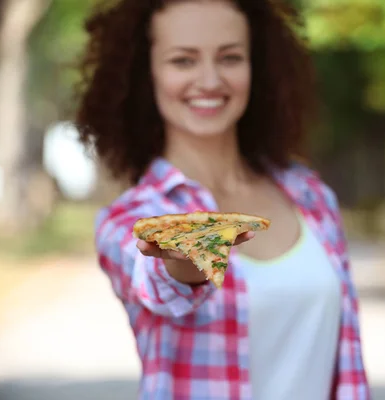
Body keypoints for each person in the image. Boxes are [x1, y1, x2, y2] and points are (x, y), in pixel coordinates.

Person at [76, 0, 370, 399]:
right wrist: (190, 259)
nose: (210, 80)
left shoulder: (311, 196)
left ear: (258, 66)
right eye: (183, 61)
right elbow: (155, 283)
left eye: (230, 57)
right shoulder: (129, 217)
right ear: (145, 74)